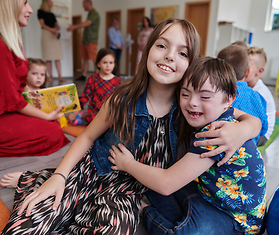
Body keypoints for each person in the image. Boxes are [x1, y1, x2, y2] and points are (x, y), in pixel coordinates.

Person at [0, 18, 261, 234]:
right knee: (32, 219)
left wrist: (242, 130)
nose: (170, 56)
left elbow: (250, 120)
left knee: (114, 229)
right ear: (147, 50)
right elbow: (87, 136)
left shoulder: (193, 109)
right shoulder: (121, 99)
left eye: (182, 53)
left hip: (130, 189)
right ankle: (38, 179)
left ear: (190, 64)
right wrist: (59, 176)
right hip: (93, 173)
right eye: (161, 46)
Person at [109, 57, 267, 235]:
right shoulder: (221, 111)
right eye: (185, 94)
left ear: (229, 99)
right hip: (208, 195)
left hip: (237, 219)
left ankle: (145, 210)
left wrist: (127, 164)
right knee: (154, 185)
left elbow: (166, 183)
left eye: (204, 96)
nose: (192, 102)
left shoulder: (214, 134)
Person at [0, 0, 69, 158]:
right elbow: (13, 100)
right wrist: (46, 116)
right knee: (51, 131)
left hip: (3, 108)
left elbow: (15, 90)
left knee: (53, 123)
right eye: (25, 3)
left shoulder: (5, 40)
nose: (30, 10)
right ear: (8, 7)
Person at [218, 45, 268, 144]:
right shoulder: (259, 98)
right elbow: (264, 129)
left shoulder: (219, 95)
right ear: (247, 71)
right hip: (250, 153)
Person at [66, 48, 122, 125]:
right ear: (98, 64)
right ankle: (82, 116)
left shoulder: (117, 81)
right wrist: (74, 113)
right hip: (94, 113)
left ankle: (83, 117)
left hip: (109, 113)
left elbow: (120, 101)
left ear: (114, 64)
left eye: (111, 63)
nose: (108, 66)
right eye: (105, 62)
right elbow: (84, 97)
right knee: (94, 121)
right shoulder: (93, 79)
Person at [245, 47, 276, 147]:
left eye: (247, 66)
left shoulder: (259, 92)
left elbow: (253, 121)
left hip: (262, 135)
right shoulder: (248, 86)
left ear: (259, 71)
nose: (243, 68)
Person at [67, 0, 100, 81]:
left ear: (88, 3)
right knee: (85, 58)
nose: (82, 6)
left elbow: (87, 23)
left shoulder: (94, 13)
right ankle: (84, 75)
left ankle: (98, 76)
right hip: (85, 40)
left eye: (83, 4)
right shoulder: (89, 14)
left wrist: (74, 26)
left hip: (91, 40)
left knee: (94, 59)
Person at [38, 0, 66, 85]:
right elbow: (42, 25)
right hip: (46, 34)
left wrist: (56, 29)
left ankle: (60, 76)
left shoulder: (52, 14)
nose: (51, 3)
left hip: (54, 35)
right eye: (50, 1)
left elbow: (58, 26)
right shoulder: (40, 12)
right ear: (46, 2)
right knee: (48, 58)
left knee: (57, 57)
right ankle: (50, 76)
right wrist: (51, 30)